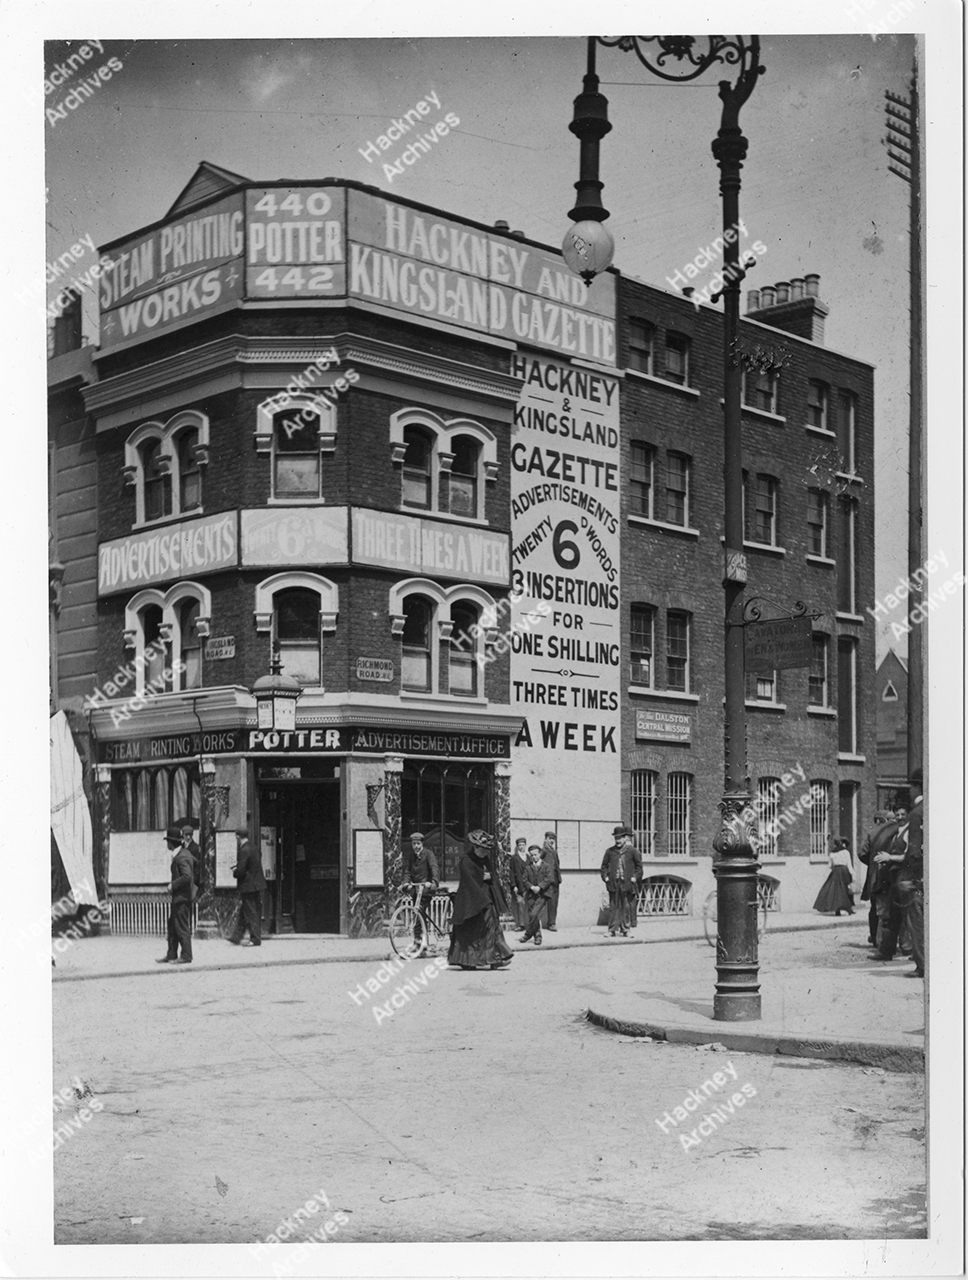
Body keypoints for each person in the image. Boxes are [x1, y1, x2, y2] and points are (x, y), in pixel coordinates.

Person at [448, 830, 513, 970]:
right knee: (471, 933)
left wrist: (489, 878)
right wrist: (482, 882)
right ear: (475, 847)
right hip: (471, 902)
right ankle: (468, 961)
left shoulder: (485, 860)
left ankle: (497, 958)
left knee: (491, 929)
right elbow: (469, 882)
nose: (485, 853)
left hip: (487, 900)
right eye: (483, 849)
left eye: (487, 850)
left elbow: (492, 876)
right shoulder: (466, 861)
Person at [893, 778, 924, 978]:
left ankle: (923, 965)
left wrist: (911, 879)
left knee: (917, 921)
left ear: (917, 787)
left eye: (911, 787)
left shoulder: (916, 814)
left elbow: (914, 852)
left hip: (919, 877)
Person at [156, 826, 196, 964]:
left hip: (182, 898)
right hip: (180, 898)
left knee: (182, 927)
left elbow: (187, 876)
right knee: (172, 926)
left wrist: (173, 885)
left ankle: (186, 955)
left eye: (167, 841)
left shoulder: (181, 857)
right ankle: (171, 954)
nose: (167, 844)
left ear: (171, 842)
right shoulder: (183, 854)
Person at [858, 811, 894, 947]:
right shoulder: (897, 831)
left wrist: (873, 863)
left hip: (875, 877)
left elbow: (862, 853)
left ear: (880, 820)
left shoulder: (872, 833)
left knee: (876, 910)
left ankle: (876, 939)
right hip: (893, 875)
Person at [228, 827, 266, 946]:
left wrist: (235, 870)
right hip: (256, 884)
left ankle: (255, 939)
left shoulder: (244, 850)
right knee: (246, 911)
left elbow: (241, 871)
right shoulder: (254, 847)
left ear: (238, 836)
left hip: (248, 885)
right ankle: (236, 936)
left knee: (250, 912)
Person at [601, 826, 641, 937]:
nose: (617, 840)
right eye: (616, 838)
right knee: (613, 907)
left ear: (625, 838)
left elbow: (639, 867)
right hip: (614, 883)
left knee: (626, 907)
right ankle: (611, 930)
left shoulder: (632, 851)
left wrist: (634, 877)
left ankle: (626, 930)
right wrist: (606, 878)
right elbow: (604, 867)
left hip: (627, 883)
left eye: (620, 838)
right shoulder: (610, 851)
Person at [518, 844, 554, 945]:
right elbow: (524, 880)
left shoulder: (547, 866)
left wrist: (540, 887)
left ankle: (528, 934)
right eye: (532, 855)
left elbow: (549, 879)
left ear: (540, 854)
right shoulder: (528, 867)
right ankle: (538, 937)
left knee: (534, 914)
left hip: (543, 895)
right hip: (531, 895)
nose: (534, 857)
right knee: (534, 916)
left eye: (536, 854)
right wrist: (531, 887)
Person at [813, 836, 855, 916]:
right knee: (846, 889)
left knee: (836, 891)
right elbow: (849, 864)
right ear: (842, 844)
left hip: (836, 871)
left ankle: (837, 910)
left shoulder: (832, 853)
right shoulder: (846, 852)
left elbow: (830, 866)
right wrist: (852, 874)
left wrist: (835, 869)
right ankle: (849, 909)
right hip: (844, 871)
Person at [405, 832, 439, 912]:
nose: (416, 846)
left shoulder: (428, 854)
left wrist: (433, 882)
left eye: (418, 843)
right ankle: (422, 924)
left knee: (420, 912)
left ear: (422, 844)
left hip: (425, 890)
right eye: (414, 844)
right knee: (417, 913)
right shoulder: (411, 856)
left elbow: (434, 868)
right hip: (415, 890)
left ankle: (420, 924)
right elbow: (408, 871)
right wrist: (406, 883)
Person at [508, 838, 530, 929]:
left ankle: (531, 924)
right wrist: (514, 886)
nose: (521, 847)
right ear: (517, 847)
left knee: (530, 904)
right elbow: (512, 872)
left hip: (528, 885)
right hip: (519, 885)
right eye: (519, 845)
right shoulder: (514, 858)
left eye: (523, 845)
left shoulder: (529, 857)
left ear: (525, 845)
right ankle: (521, 924)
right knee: (520, 903)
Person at [541, 832, 561, 931]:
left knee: (554, 903)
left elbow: (557, 865)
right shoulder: (543, 851)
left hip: (556, 881)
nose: (552, 840)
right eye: (550, 838)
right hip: (547, 882)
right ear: (545, 839)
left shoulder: (554, 851)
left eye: (553, 838)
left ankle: (552, 923)